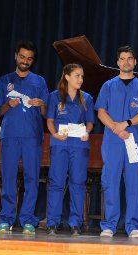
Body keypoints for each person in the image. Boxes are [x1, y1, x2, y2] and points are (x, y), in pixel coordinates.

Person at [95, 46, 138, 238]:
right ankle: (109, 225)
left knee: (134, 183)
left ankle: (134, 226)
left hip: (134, 141)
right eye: (122, 58)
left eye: (130, 58)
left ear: (135, 62)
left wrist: (126, 123)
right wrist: (115, 127)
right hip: (113, 141)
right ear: (117, 62)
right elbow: (101, 111)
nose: (126, 62)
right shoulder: (108, 86)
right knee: (110, 182)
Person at [0, 40, 49, 234]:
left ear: (32, 61)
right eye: (22, 56)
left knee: (31, 178)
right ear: (16, 56)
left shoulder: (40, 81)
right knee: (9, 177)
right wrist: (7, 106)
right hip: (10, 135)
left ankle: (28, 219)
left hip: (32, 136)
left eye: (29, 58)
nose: (25, 60)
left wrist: (40, 104)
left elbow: (45, 112)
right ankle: (6, 218)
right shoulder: (4, 80)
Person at [45, 63, 94, 236]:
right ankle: (52, 223)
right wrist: (55, 134)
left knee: (78, 183)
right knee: (57, 182)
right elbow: (50, 120)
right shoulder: (54, 96)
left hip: (79, 146)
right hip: (59, 144)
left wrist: (87, 132)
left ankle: (75, 223)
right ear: (67, 76)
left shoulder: (86, 98)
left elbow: (90, 122)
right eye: (77, 76)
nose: (80, 79)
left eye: (82, 76)